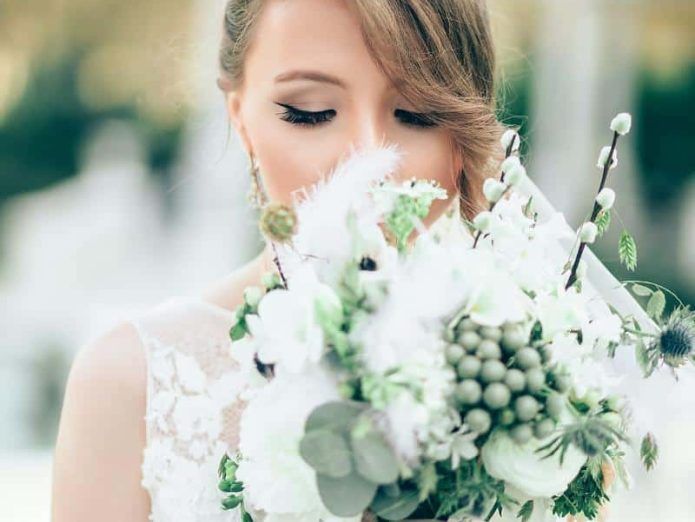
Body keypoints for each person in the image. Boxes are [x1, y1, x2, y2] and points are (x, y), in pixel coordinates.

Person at [51, 0, 503, 520]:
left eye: (417, 115)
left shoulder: (534, 374)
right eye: (310, 112)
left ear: (467, 132)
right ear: (240, 117)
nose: (364, 159)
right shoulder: (133, 383)